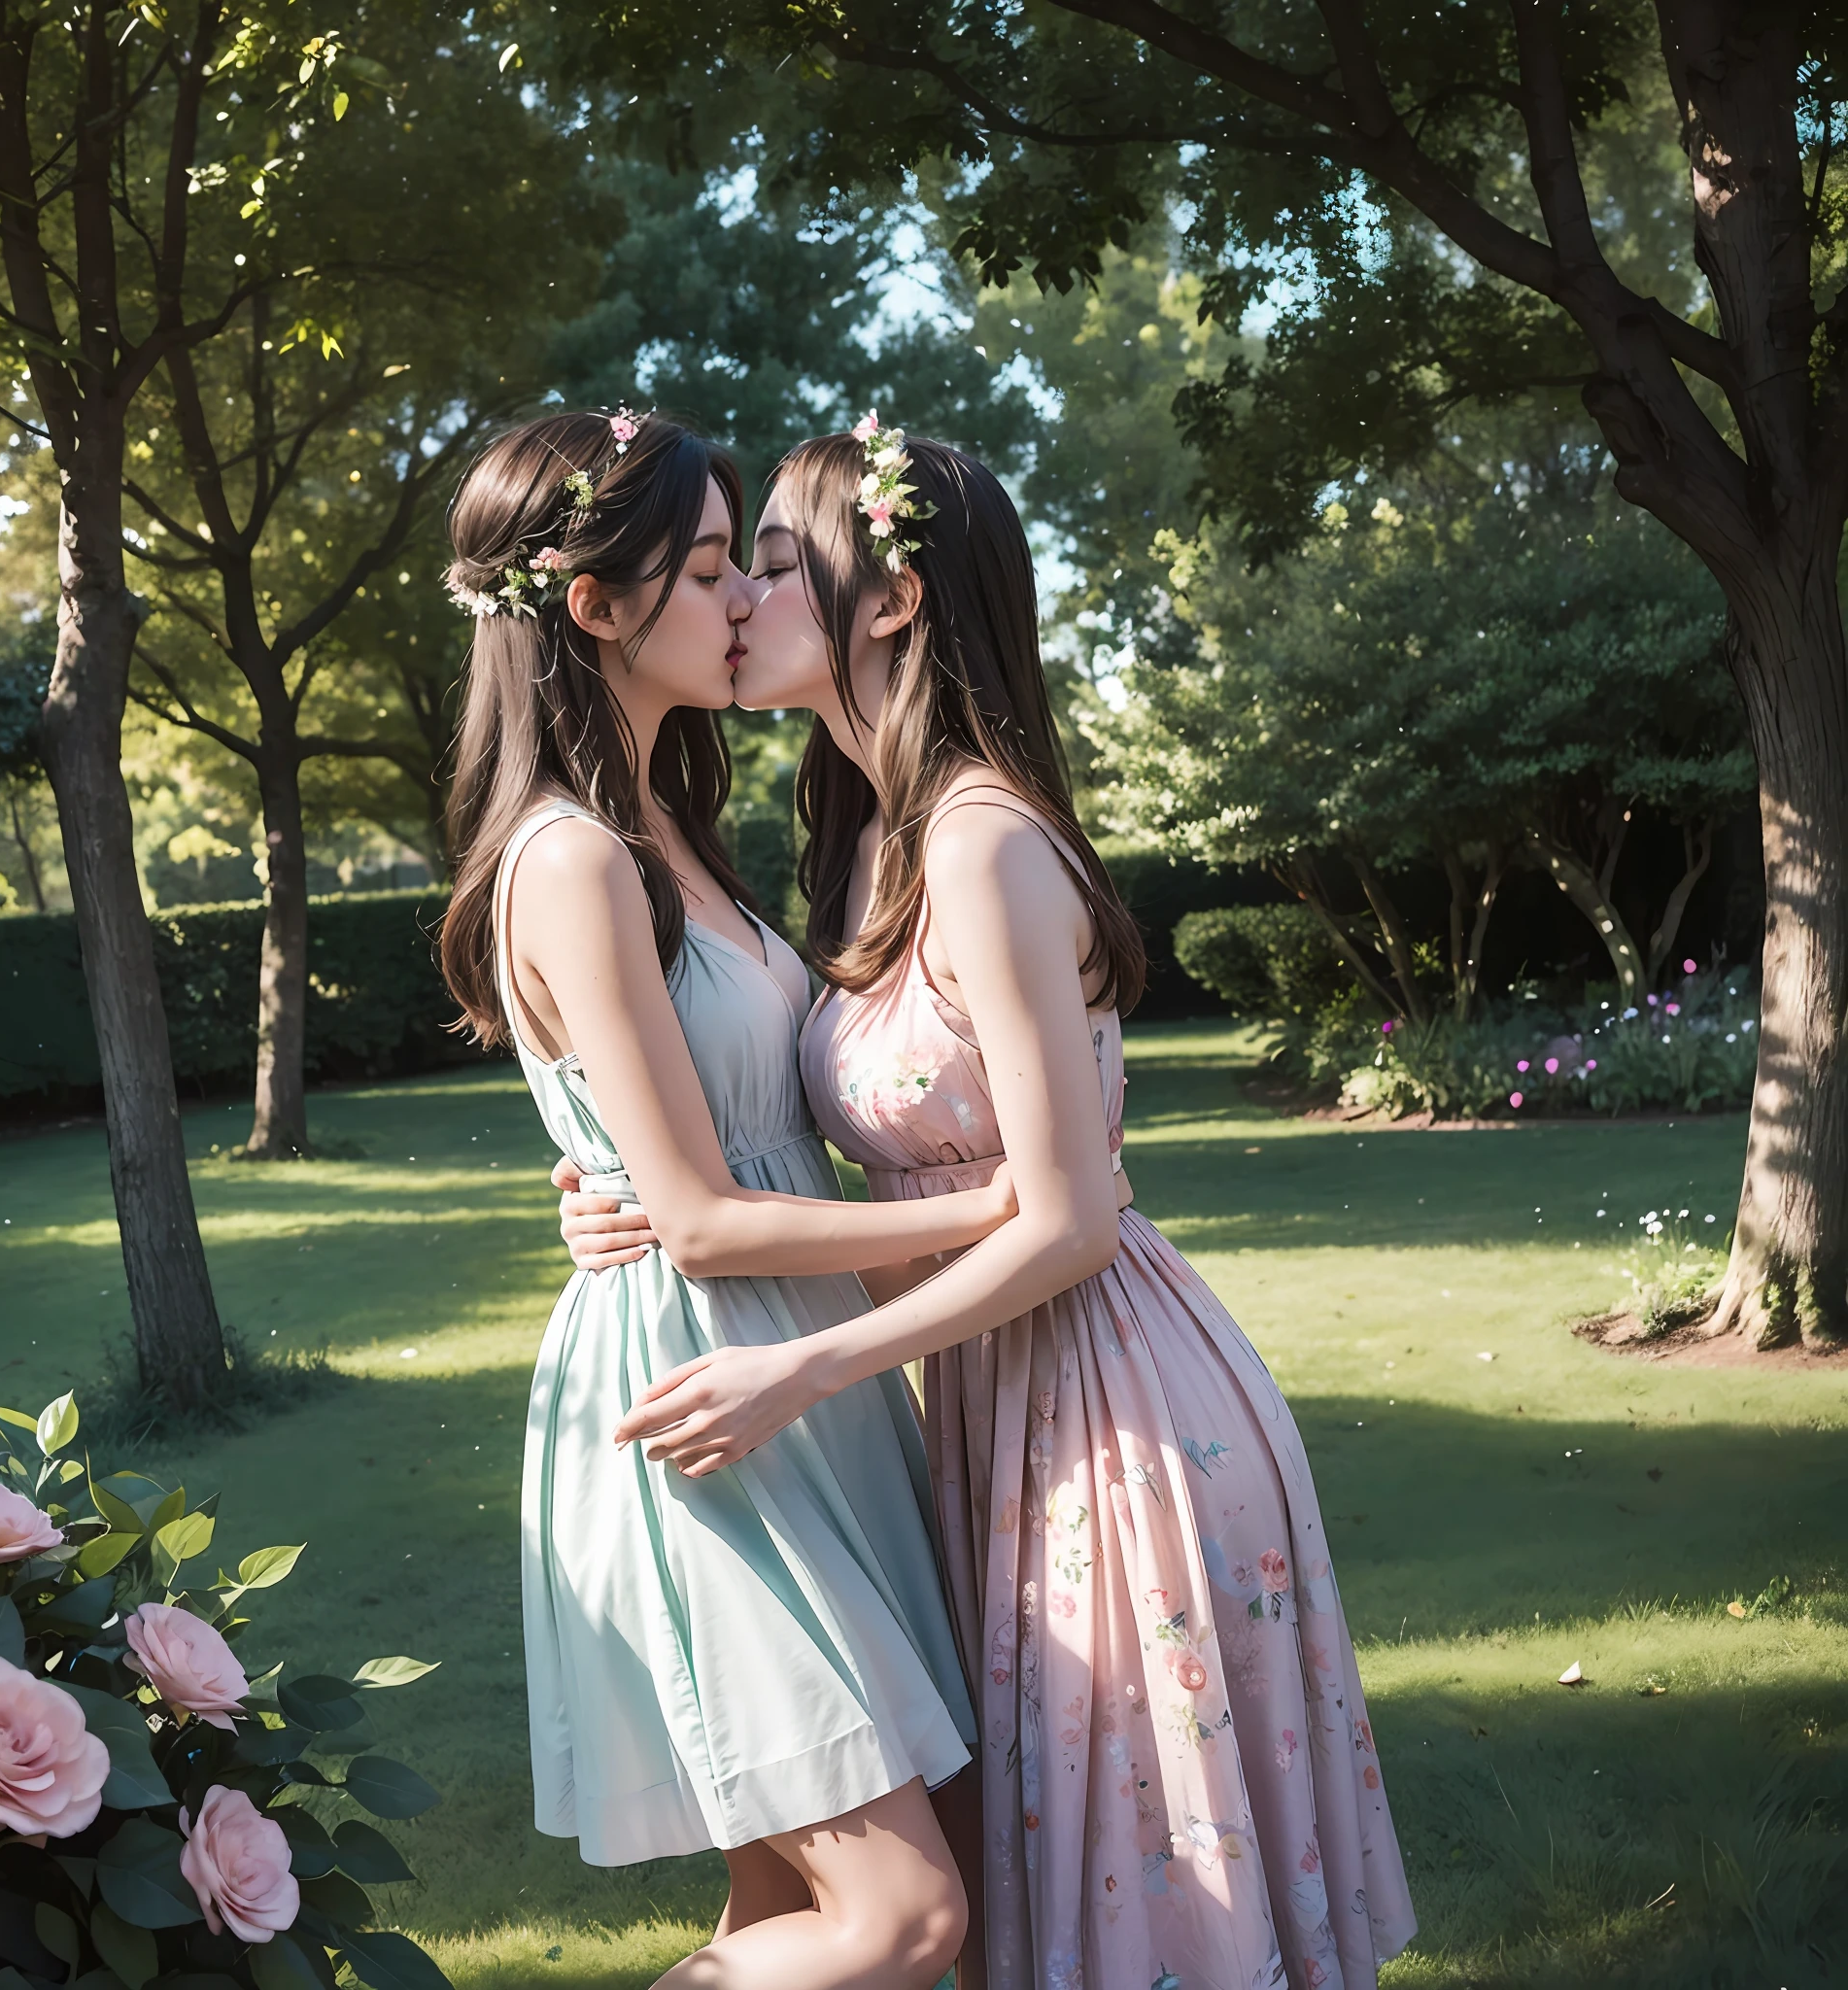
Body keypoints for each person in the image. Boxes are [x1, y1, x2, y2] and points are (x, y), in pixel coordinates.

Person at [602, 419, 1418, 1990]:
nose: (742, 603)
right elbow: (776, 1121)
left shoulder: (981, 844)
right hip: (983, 1395)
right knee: (1036, 1880)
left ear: (890, 598)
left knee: (1144, 1888)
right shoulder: (872, 848)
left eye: (772, 565)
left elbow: (1069, 1221)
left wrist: (803, 1367)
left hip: (1110, 1408)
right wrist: (624, 1195)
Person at [440, 408, 1025, 1990]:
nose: (747, 600)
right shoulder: (567, 859)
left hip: (805, 1370)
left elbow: (719, 1145)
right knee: (904, 1918)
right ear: (595, 608)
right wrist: (998, 1214)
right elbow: (693, 1217)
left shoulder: (678, 829)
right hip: (707, 1390)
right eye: (710, 570)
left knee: (816, 1910)